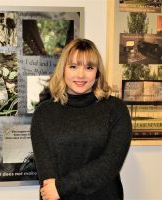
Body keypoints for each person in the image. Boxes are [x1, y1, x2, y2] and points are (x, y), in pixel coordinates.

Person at [30, 38, 132, 200]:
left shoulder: (116, 109)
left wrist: (64, 187)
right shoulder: (44, 113)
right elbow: (47, 176)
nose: (81, 75)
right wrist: (58, 190)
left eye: (89, 67)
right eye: (73, 66)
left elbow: (111, 162)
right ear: (63, 69)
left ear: (97, 72)